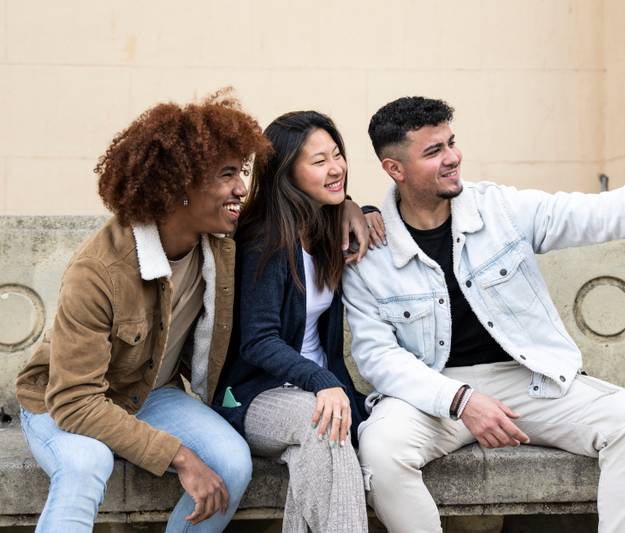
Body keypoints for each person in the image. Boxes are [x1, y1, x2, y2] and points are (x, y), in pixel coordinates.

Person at [342, 96, 625, 533]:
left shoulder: (500, 209)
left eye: (451, 143)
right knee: (381, 453)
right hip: (431, 393)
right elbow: (378, 357)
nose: (453, 158)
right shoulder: (368, 252)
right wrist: (459, 400)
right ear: (394, 169)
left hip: (525, 378)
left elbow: (600, 214)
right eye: (433, 151)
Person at [14, 91, 373, 532]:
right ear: (181, 188)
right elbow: (74, 401)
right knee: (86, 463)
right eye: (227, 175)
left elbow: (290, 202)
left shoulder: (220, 236)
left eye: (240, 173)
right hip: (65, 400)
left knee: (231, 463)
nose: (241, 188)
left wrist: (352, 207)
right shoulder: (100, 271)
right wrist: (180, 457)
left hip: (150, 393)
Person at [214, 110, 380, 533]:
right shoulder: (265, 239)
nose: (336, 167)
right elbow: (258, 340)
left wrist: (358, 206)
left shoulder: (325, 226)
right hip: (254, 396)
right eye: (319, 161)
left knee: (322, 449)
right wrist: (322, 382)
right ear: (286, 174)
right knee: (326, 429)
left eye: (337, 155)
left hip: (320, 391)